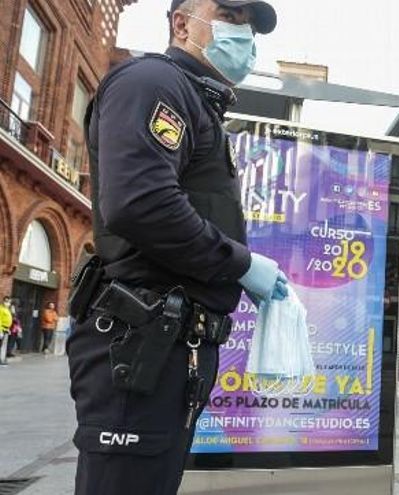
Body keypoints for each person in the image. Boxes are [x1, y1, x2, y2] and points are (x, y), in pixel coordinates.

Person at [66, 1, 283, 494]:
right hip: (140, 341)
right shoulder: (153, 84)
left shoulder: (194, 99)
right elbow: (141, 202)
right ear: (182, 24)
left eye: (250, 26)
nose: (244, 35)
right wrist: (241, 264)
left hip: (165, 349)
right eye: (230, 19)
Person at [0, 296, 11, 366]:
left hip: (5, 329)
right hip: (1, 328)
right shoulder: (1, 309)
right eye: (6, 301)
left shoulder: (7, 309)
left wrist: (8, 329)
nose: (7, 303)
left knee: (1, 345)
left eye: (8, 301)